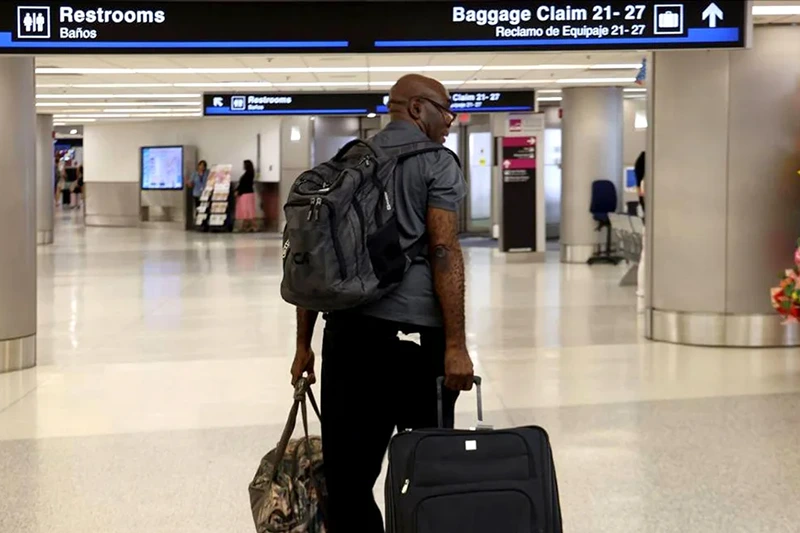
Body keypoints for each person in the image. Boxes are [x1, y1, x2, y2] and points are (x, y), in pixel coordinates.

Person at [290, 74, 475, 533]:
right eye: (444, 108)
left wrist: (303, 345)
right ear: (416, 109)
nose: (450, 119)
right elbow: (444, 250)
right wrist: (456, 344)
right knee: (428, 472)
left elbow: (316, 261)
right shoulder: (438, 163)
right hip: (416, 343)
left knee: (348, 482)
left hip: (348, 339)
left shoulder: (345, 163)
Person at [235, 159, 257, 232]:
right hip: (249, 194)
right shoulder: (250, 174)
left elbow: (243, 185)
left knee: (246, 211)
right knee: (248, 211)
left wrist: (238, 191)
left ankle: (250, 226)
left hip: (245, 194)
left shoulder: (247, 175)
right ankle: (248, 226)